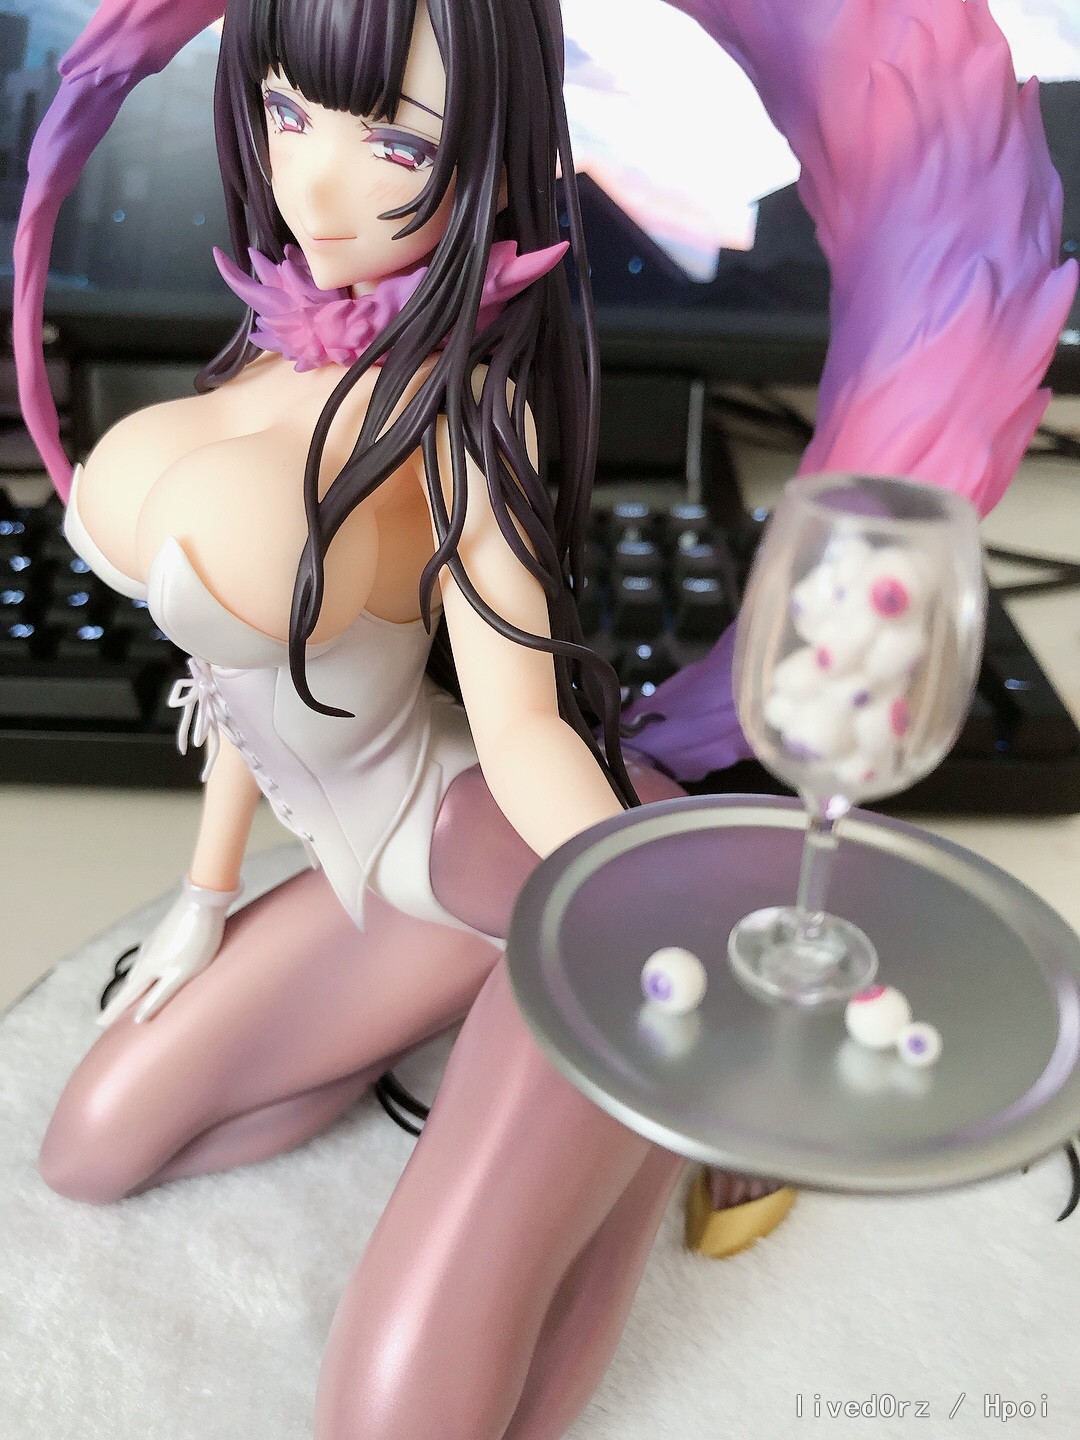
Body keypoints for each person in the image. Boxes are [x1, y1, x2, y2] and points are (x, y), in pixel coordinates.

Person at [13, 0, 1076, 1435]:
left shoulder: (457, 424)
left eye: (396, 144)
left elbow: (518, 734)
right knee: (88, 1149)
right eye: (285, 112)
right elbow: (236, 684)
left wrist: (641, 915)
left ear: (485, 161)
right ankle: (496, 1038)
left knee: (401, 1408)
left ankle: (634, 1120)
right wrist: (205, 898)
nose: (314, 181)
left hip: (505, 843)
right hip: (379, 872)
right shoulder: (268, 344)